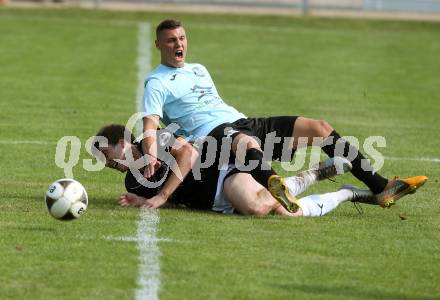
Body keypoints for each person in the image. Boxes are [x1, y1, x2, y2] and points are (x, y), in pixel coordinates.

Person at [140, 19, 427, 212]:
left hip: (243, 122)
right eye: (170, 41)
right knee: (245, 144)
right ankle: (278, 186)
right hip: (212, 137)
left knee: (320, 128)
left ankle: (380, 187)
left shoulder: (198, 68)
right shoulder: (156, 82)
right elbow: (150, 124)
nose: (178, 45)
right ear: (158, 45)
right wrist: (152, 154)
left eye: (181, 38)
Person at [92, 124, 399, 218]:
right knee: (288, 213)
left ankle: (314, 176)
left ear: (122, 143)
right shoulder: (133, 180)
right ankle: (345, 192)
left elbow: (188, 154)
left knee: (256, 205)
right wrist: (140, 200)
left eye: (107, 155)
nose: (108, 164)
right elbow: (171, 199)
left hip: (225, 174)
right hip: (213, 205)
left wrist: (162, 196)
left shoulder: (155, 138)